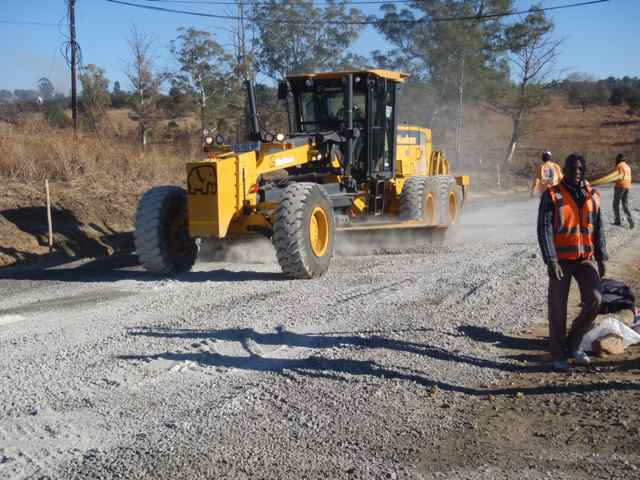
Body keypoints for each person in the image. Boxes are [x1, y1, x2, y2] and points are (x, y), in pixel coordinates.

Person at [537, 153, 607, 371]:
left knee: (595, 299)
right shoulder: (552, 195)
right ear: (564, 170)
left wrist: (601, 255)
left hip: (584, 259)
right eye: (572, 168)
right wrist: (551, 260)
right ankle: (558, 354)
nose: (576, 172)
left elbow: (599, 229)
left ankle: (574, 343)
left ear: (583, 171)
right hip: (560, 261)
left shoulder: (593, 195)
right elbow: (544, 229)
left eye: (580, 169)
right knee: (557, 308)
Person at [612, 153, 634, 229]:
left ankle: (617, 221)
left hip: (620, 186)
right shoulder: (627, 166)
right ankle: (631, 222)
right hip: (627, 186)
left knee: (615, 204)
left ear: (618, 159)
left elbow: (613, 176)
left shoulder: (619, 166)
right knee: (625, 205)